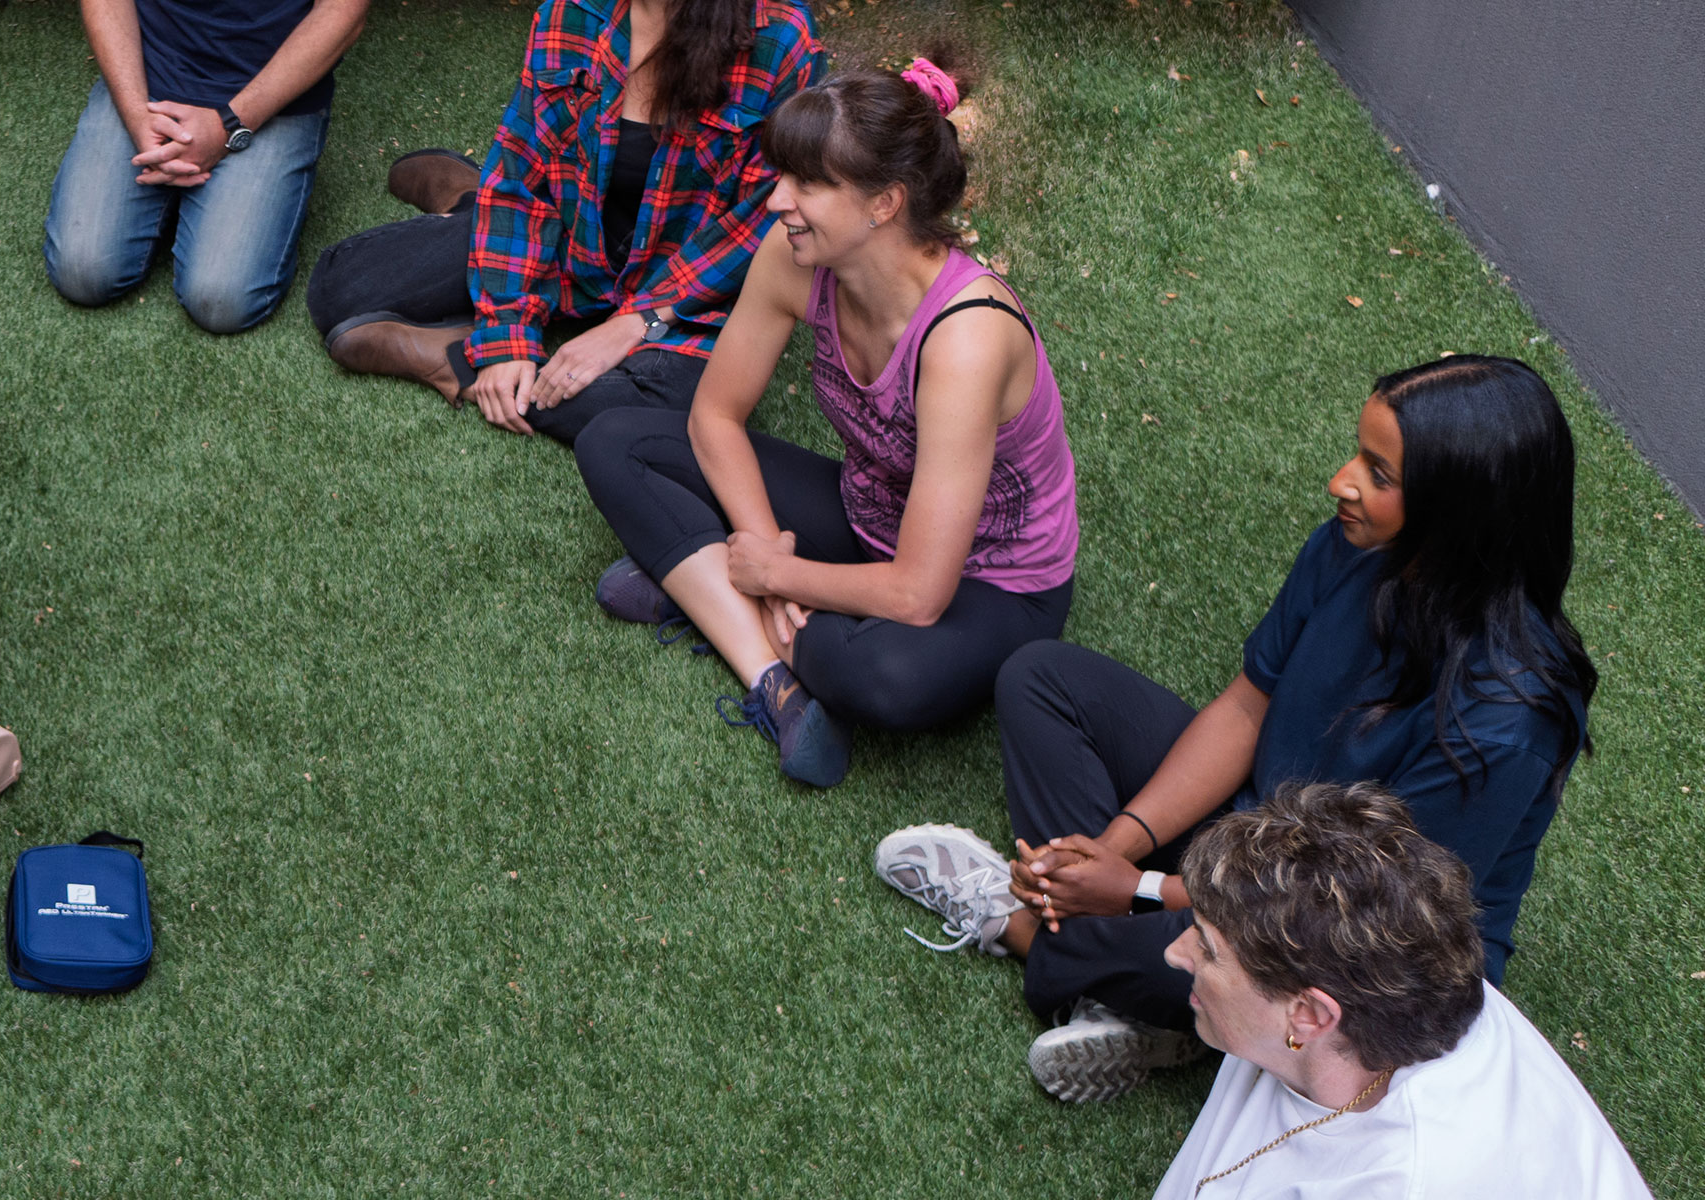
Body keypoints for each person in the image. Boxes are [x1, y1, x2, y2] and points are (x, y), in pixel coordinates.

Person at [873, 355, 1597, 1102]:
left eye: (1379, 475)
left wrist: (1138, 890)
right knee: (1043, 681)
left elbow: (1346, 910)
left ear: (1461, 511)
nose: (1341, 482)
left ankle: (1024, 930)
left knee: (1200, 950)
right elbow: (1247, 707)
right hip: (1263, 837)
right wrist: (1112, 847)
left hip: (1363, 948)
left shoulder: (1508, 722)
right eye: (1359, 454)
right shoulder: (1353, 550)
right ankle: (1134, 985)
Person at [569, 55, 1073, 787]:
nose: (777, 201)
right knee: (616, 438)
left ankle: (701, 584)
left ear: (883, 203)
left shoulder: (968, 338)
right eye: (782, 176)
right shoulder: (793, 256)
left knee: (885, 679)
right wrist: (767, 551)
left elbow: (918, 594)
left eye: (808, 184)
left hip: (989, 582)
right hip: (871, 513)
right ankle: (764, 664)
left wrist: (777, 570)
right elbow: (714, 414)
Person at [306, 0, 823, 442]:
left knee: (673, 417)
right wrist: (508, 330)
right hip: (571, 241)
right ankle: (469, 201)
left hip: (686, 286)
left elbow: (757, 223)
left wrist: (636, 322)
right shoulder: (571, 11)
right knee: (339, 289)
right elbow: (521, 174)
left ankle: (452, 358)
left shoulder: (779, 37)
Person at [1151, 781, 1652, 1198]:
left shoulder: (1401, 1179)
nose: (1177, 953)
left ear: (1310, 1015)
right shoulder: (1379, 988)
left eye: (1208, 949)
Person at [42, 0, 367, 333]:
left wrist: (229, 125)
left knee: (222, 302)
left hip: (272, 92)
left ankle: (187, 191)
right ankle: (174, 190)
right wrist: (134, 114)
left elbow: (343, 12)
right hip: (147, 71)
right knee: (82, 273)